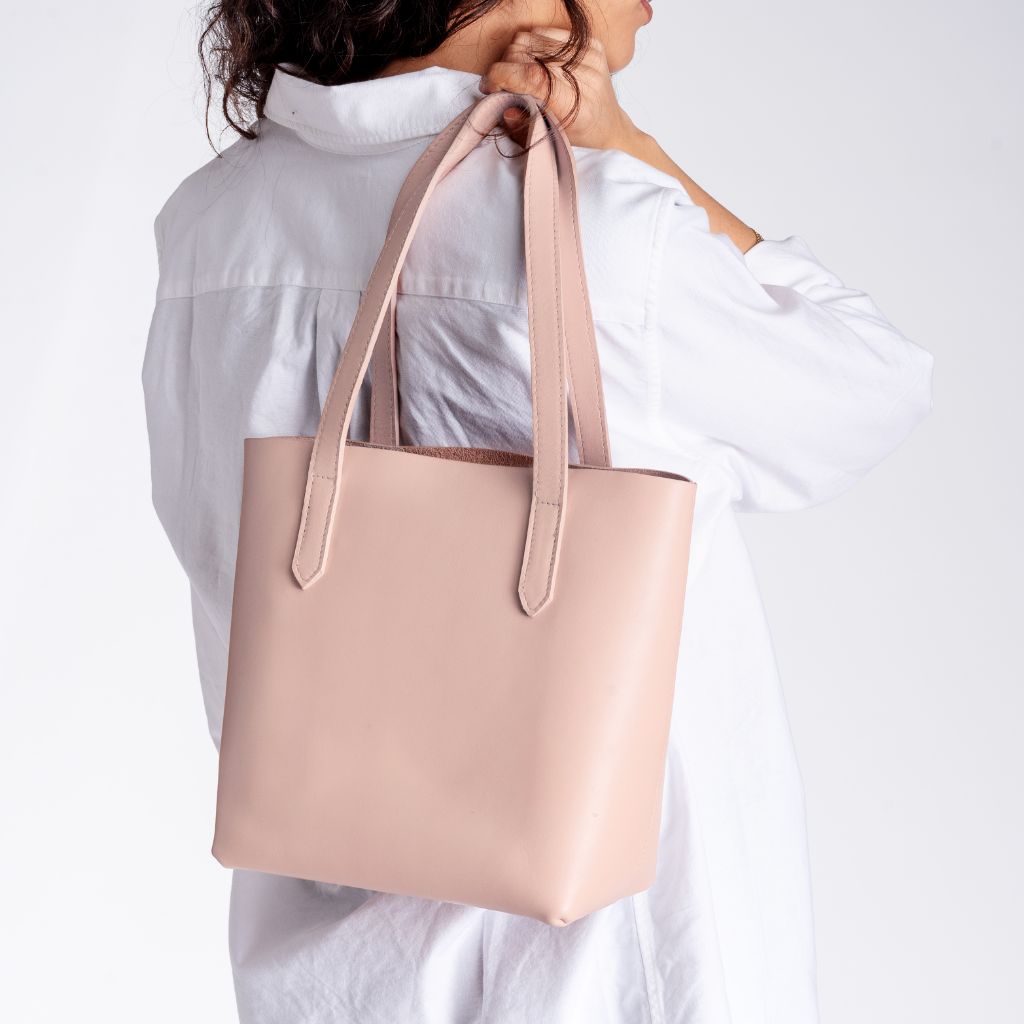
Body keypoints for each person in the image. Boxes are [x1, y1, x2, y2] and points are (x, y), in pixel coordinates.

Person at [141, 1, 934, 1020]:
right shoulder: (601, 229)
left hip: (327, 982)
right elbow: (871, 389)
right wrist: (632, 149)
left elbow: (213, 551)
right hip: (600, 976)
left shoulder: (209, 224)